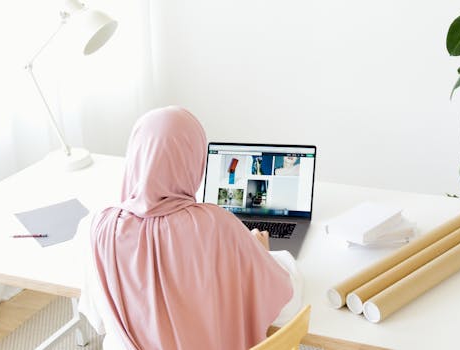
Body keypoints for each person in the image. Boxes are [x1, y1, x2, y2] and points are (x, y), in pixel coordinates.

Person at [78, 106, 302, 350]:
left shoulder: (97, 228)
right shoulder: (218, 226)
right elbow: (286, 307)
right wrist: (263, 255)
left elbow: (97, 319)